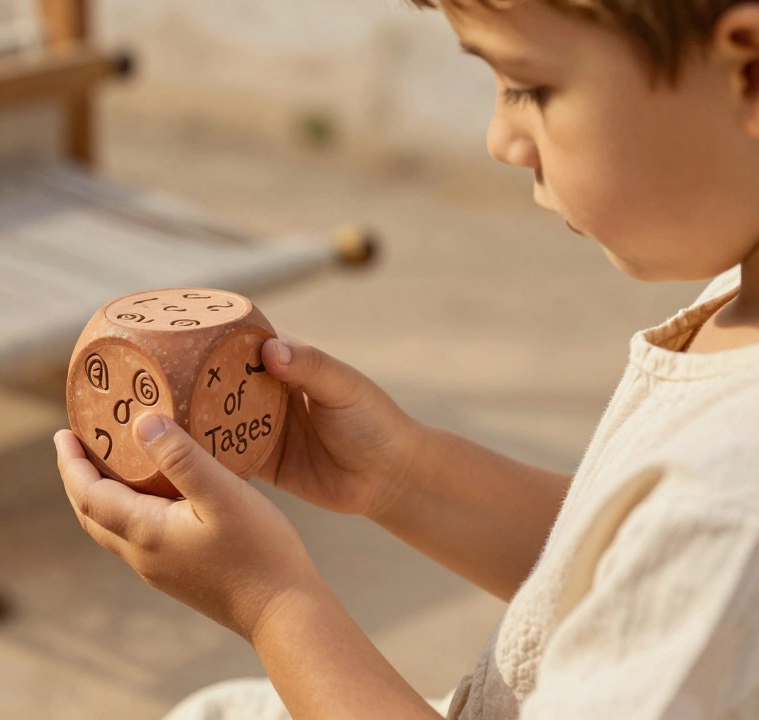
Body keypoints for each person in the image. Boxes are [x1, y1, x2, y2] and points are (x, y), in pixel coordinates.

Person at [53, 0, 759, 717]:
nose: (500, 139)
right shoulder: (742, 301)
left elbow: (686, 537)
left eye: (527, 84)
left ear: (750, 70)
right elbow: (615, 563)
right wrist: (398, 475)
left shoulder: (729, 511)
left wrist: (271, 603)